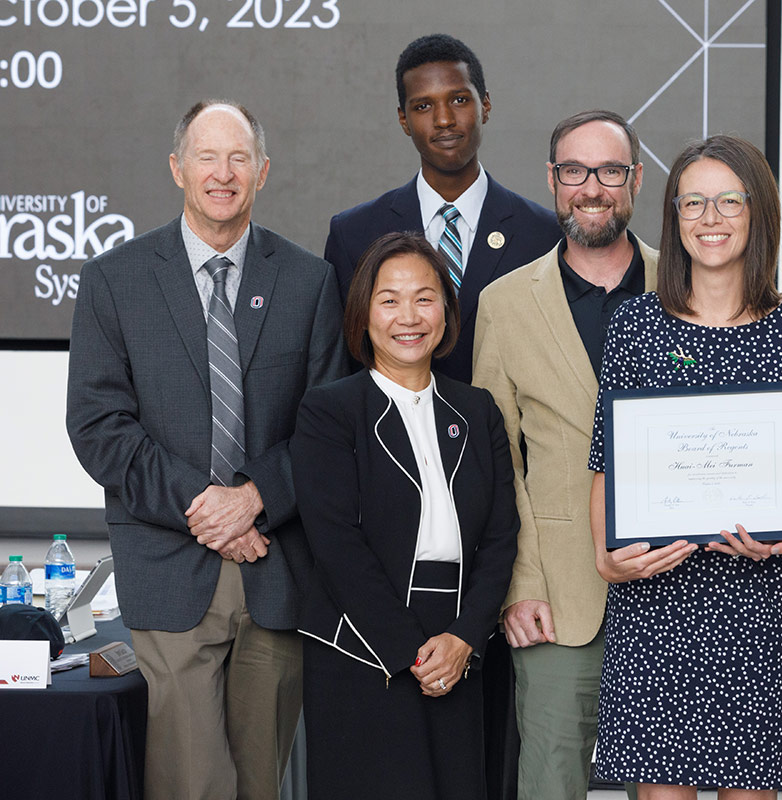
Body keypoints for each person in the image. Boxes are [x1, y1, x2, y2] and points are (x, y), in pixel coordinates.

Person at [65, 99, 346, 800]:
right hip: (170, 568)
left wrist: (253, 499)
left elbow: (326, 429)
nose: (223, 173)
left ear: (263, 172)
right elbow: (99, 426)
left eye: (239, 158)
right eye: (206, 157)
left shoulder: (310, 282)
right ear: (177, 168)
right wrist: (207, 507)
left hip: (276, 571)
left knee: (259, 784)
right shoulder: (114, 280)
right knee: (193, 785)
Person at [586, 135, 782, 798]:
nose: (710, 217)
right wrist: (605, 558)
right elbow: (605, 462)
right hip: (656, 598)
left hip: (757, 601)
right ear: (673, 217)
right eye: (692, 202)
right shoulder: (635, 324)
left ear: (759, 213)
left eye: (729, 200)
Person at [292, 231, 519, 798]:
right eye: (389, 300)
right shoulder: (330, 411)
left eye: (425, 297)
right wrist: (411, 653)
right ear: (362, 314)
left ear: (446, 308)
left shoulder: (477, 409)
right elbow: (336, 545)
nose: (409, 316)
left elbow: (500, 536)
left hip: (458, 646)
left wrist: (465, 639)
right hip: (360, 648)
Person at [473, 109, 658, 800]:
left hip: (678, 589)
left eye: (610, 170)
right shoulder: (505, 302)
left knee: (668, 785)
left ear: (635, 180)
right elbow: (497, 461)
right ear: (554, 181)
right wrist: (517, 587)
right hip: (555, 595)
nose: (593, 187)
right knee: (550, 783)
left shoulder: (689, 286)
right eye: (575, 171)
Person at [324, 32, 560, 382]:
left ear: (486, 106)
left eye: (460, 100)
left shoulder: (544, 234)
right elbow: (342, 366)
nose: (444, 119)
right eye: (423, 106)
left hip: (506, 433)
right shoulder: (355, 233)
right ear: (403, 119)